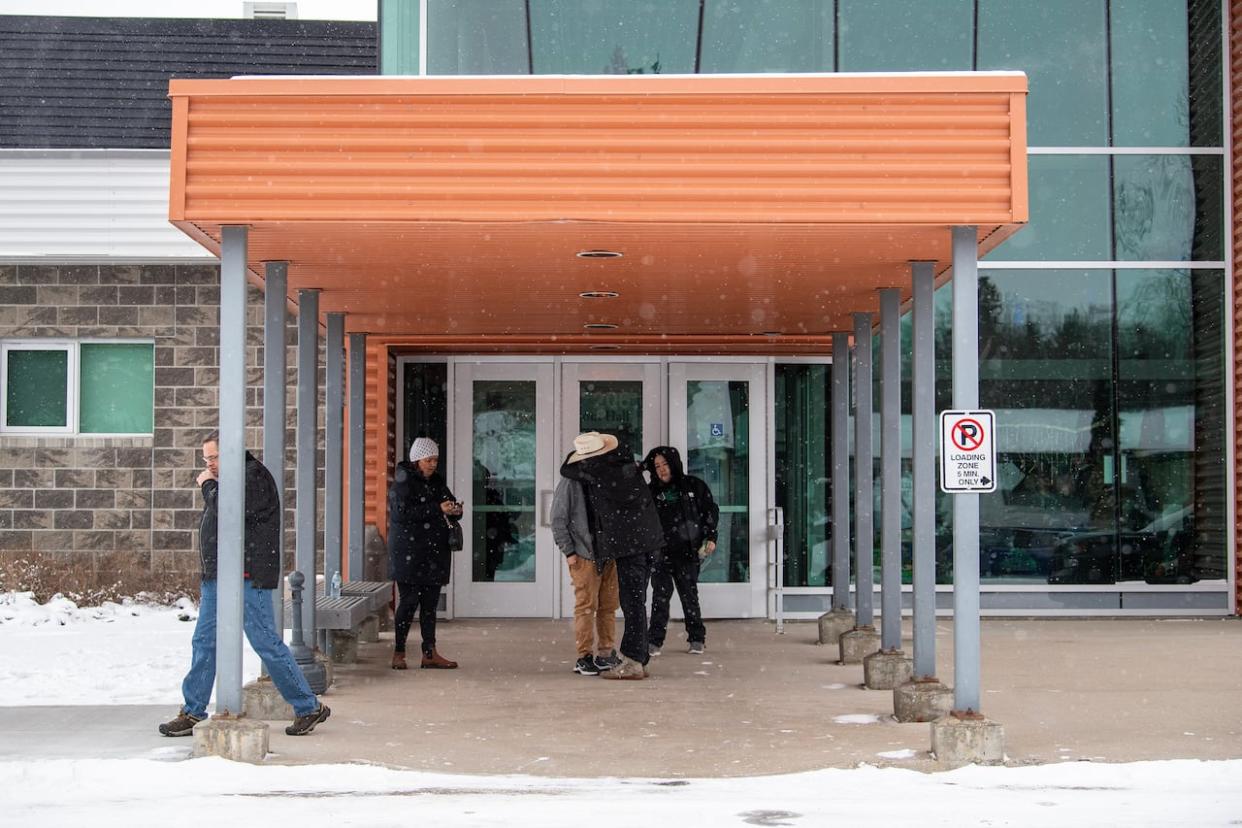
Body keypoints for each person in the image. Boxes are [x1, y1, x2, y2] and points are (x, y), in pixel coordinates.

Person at [159, 435, 330, 738]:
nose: (209, 465)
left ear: (231, 453)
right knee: (205, 642)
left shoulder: (253, 477)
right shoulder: (235, 479)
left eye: (213, 458)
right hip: (221, 575)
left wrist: (207, 485)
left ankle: (307, 705)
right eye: (206, 460)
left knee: (264, 640)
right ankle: (193, 710)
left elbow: (228, 511)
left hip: (246, 575)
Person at [559, 432, 664, 680]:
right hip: (649, 542)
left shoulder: (603, 471)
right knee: (636, 602)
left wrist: (573, 460)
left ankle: (633, 661)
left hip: (631, 547)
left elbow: (568, 470)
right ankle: (640, 658)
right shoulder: (625, 466)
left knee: (632, 604)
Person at [388, 437, 462, 670]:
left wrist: (454, 509)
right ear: (416, 460)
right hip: (408, 551)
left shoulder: (437, 481)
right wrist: (436, 508)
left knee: (430, 604)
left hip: (434, 552)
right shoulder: (403, 481)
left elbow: (447, 504)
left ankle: (429, 652)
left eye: (435, 460)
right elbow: (402, 514)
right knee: (408, 602)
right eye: (428, 459)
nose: (432, 464)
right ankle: (399, 651)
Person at [643, 446, 719, 656]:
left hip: (687, 552)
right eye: (657, 466)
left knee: (689, 596)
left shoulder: (693, 486)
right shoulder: (651, 492)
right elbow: (644, 522)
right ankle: (654, 641)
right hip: (660, 554)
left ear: (674, 464)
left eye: (665, 464)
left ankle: (696, 638)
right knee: (660, 597)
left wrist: (711, 537)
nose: (661, 470)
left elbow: (709, 512)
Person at [551, 452, 620, 676]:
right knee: (586, 606)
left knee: (608, 606)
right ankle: (584, 656)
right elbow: (558, 519)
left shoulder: (606, 480)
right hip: (584, 555)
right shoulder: (570, 482)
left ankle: (605, 653)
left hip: (608, 553)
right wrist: (570, 552)